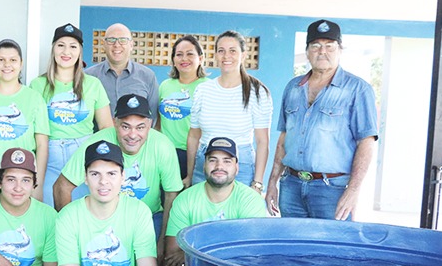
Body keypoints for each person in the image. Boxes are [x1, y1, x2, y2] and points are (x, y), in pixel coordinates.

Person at [265, 19, 379, 221]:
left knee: (332, 248)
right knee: (292, 247)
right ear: (307, 51)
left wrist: (353, 191)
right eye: (316, 46)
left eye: (329, 46)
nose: (322, 52)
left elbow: (366, 143)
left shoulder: (358, 89)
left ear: (340, 50)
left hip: (332, 190)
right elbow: (284, 138)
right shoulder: (293, 87)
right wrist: (272, 181)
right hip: (291, 186)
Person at [160, 137, 267, 266]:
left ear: (237, 167)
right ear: (204, 164)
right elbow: (172, 257)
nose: (219, 166)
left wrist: (191, 252)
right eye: (213, 159)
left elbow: (251, 255)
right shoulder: (186, 200)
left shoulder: (251, 201)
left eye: (227, 161)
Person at [53, 94, 182, 248]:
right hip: (103, 219)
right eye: (125, 126)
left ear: (150, 125)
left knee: (170, 259)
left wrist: (163, 243)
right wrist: (70, 229)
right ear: (115, 123)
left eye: (140, 127)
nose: (133, 135)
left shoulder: (163, 145)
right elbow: (62, 186)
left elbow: (171, 196)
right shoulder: (97, 143)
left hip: (149, 217)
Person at [30, 23, 112, 207]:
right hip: (48, 154)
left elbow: (107, 128)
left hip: (83, 153)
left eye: (73, 46)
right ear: (53, 49)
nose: (66, 51)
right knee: (48, 212)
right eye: (61, 45)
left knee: (82, 213)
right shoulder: (37, 85)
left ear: (80, 52)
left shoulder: (93, 84)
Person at [185, 30, 272, 190]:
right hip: (205, 162)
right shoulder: (203, 90)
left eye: (233, 51)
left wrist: (258, 183)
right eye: (221, 51)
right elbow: (193, 136)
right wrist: (190, 175)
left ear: (243, 55)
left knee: (238, 215)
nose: (226, 56)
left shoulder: (258, 92)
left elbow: (262, 141)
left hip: (241, 164)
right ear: (216, 55)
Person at [0, 39, 49, 200]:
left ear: (21, 64)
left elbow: (42, 145)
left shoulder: (34, 98)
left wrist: (37, 184)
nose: (7, 65)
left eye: (13, 60)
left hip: (22, 186)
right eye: (1, 60)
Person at [85, 23, 159, 127]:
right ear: (104, 44)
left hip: (135, 141)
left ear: (131, 45)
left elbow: (153, 117)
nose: (117, 44)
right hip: (99, 141)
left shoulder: (147, 76)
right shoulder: (88, 76)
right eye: (111, 40)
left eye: (123, 40)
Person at [156, 35, 209, 180]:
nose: (184, 59)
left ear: (201, 58)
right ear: (173, 59)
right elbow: (158, 124)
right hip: (165, 154)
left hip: (194, 156)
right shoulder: (165, 85)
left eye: (190, 54)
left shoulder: (208, 87)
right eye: (179, 54)